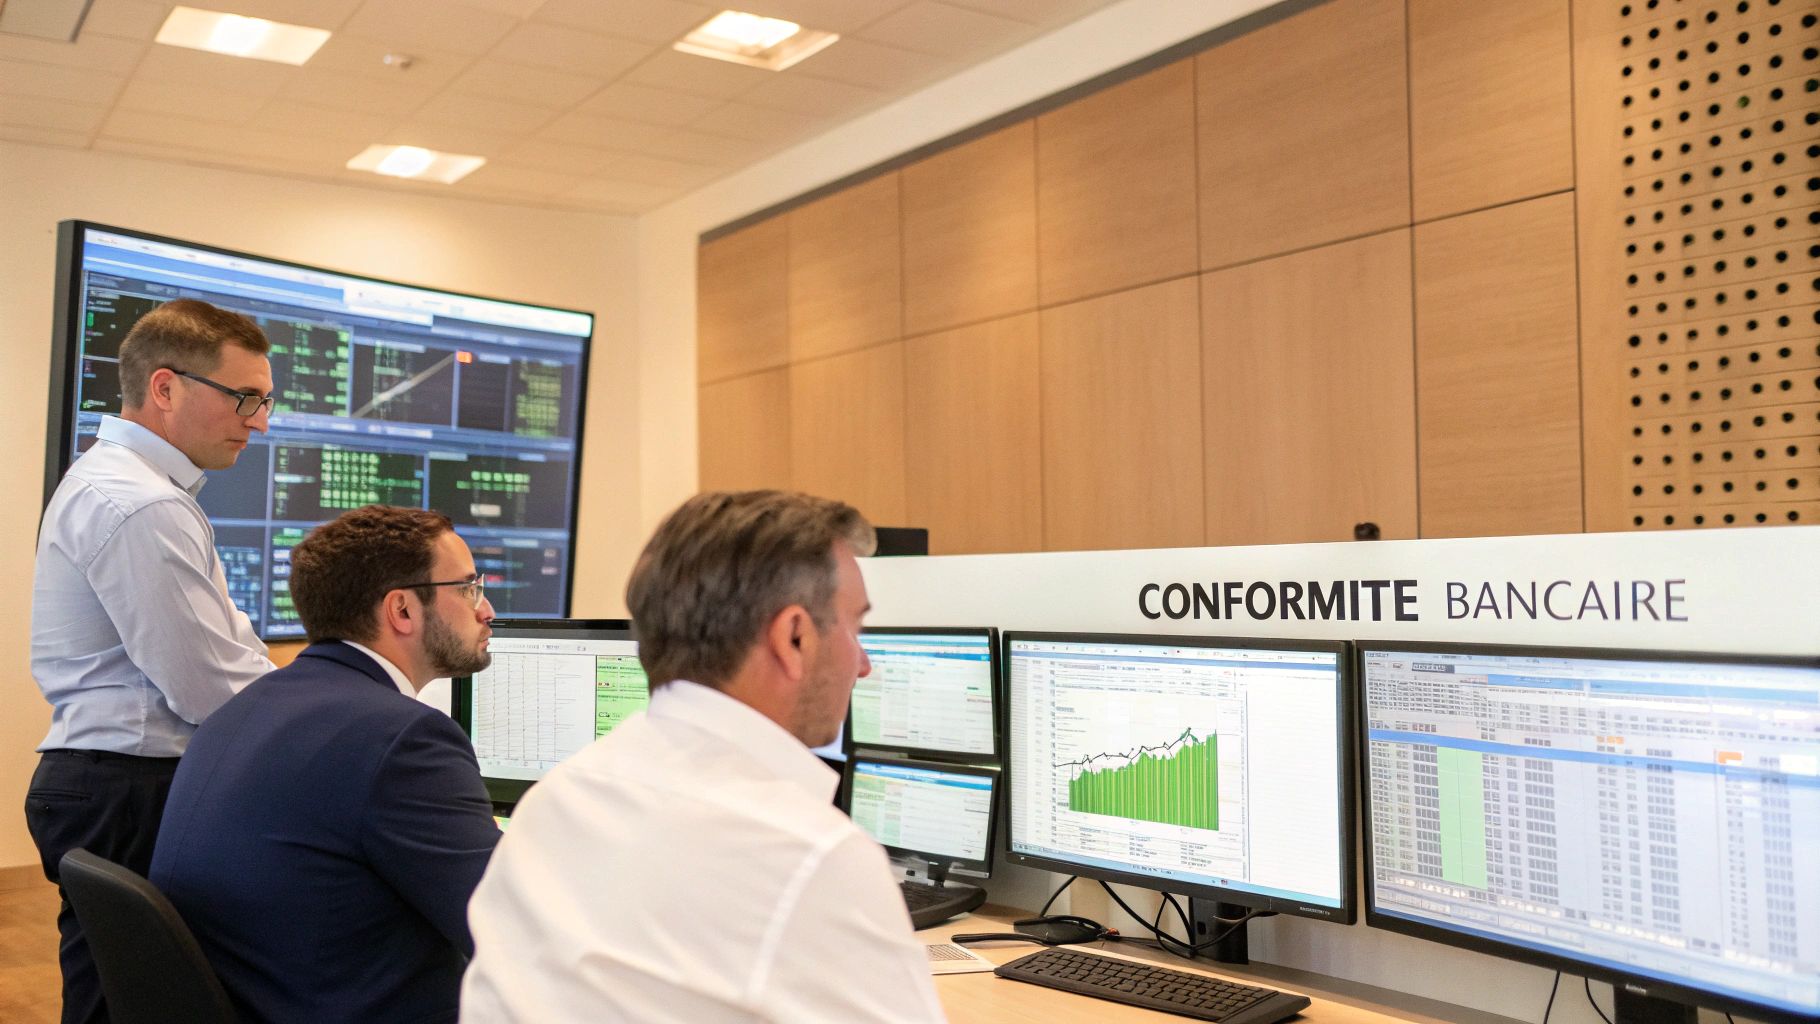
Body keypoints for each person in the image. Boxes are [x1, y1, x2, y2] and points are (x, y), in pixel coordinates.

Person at [461, 490, 946, 1023]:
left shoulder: (555, 802)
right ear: (794, 637)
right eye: (855, 629)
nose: (864, 664)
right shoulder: (812, 857)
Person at [149, 505, 503, 1024]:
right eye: (469, 587)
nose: (486, 608)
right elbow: (507, 923)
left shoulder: (246, 706)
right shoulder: (406, 739)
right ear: (402, 610)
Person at [27, 298, 277, 1024]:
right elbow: (214, 688)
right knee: (143, 1003)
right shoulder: (141, 504)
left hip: (110, 783)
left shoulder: (131, 487)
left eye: (265, 400)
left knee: (115, 995)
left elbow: (228, 654)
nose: (259, 421)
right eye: (244, 398)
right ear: (165, 388)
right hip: (134, 787)